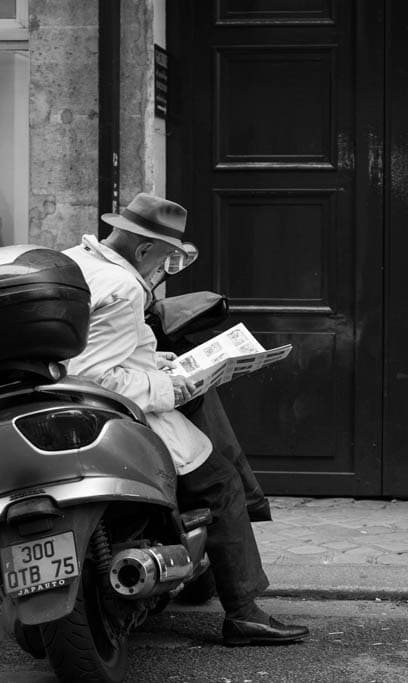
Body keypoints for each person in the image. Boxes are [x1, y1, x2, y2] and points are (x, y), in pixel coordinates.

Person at [63, 192, 308, 646]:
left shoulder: (73, 262)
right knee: (221, 483)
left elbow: (99, 351)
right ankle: (244, 612)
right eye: (165, 258)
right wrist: (172, 386)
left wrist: (160, 361)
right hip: (118, 417)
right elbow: (94, 375)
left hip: (79, 413)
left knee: (210, 436)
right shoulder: (123, 286)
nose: (162, 269)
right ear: (143, 251)